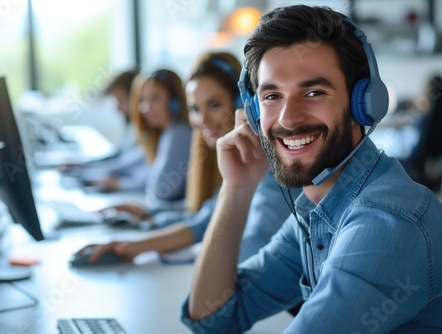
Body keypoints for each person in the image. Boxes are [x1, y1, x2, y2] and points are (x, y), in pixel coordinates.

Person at [182, 5, 442, 333]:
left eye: (313, 92)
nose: (288, 118)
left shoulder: (386, 222)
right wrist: (236, 189)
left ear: (363, 104)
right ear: (253, 114)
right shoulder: (319, 210)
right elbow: (212, 317)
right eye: (272, 96)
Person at [74, 52, 301, 265]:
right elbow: (203, 221)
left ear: (243, 105)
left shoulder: (272, 168)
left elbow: (251, 250)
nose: (202, 119)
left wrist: (181, 255)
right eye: (194, 108)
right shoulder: (239, 159)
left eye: (214, 104)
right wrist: (131, 246)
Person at [105, 68, 193, 219]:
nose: (146, 108)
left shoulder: (178, 134)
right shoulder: (164, 135)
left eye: (155, 99)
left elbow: (159, 191)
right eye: (142, 101)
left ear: (174, 101)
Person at [60, 69, 150, 193]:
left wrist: (82, 171)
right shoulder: (133, 128)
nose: (118, 108)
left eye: (121, 100)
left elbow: (122, 164)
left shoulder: (150, 133)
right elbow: (118, 159)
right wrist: (82, 167)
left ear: (135, 98)